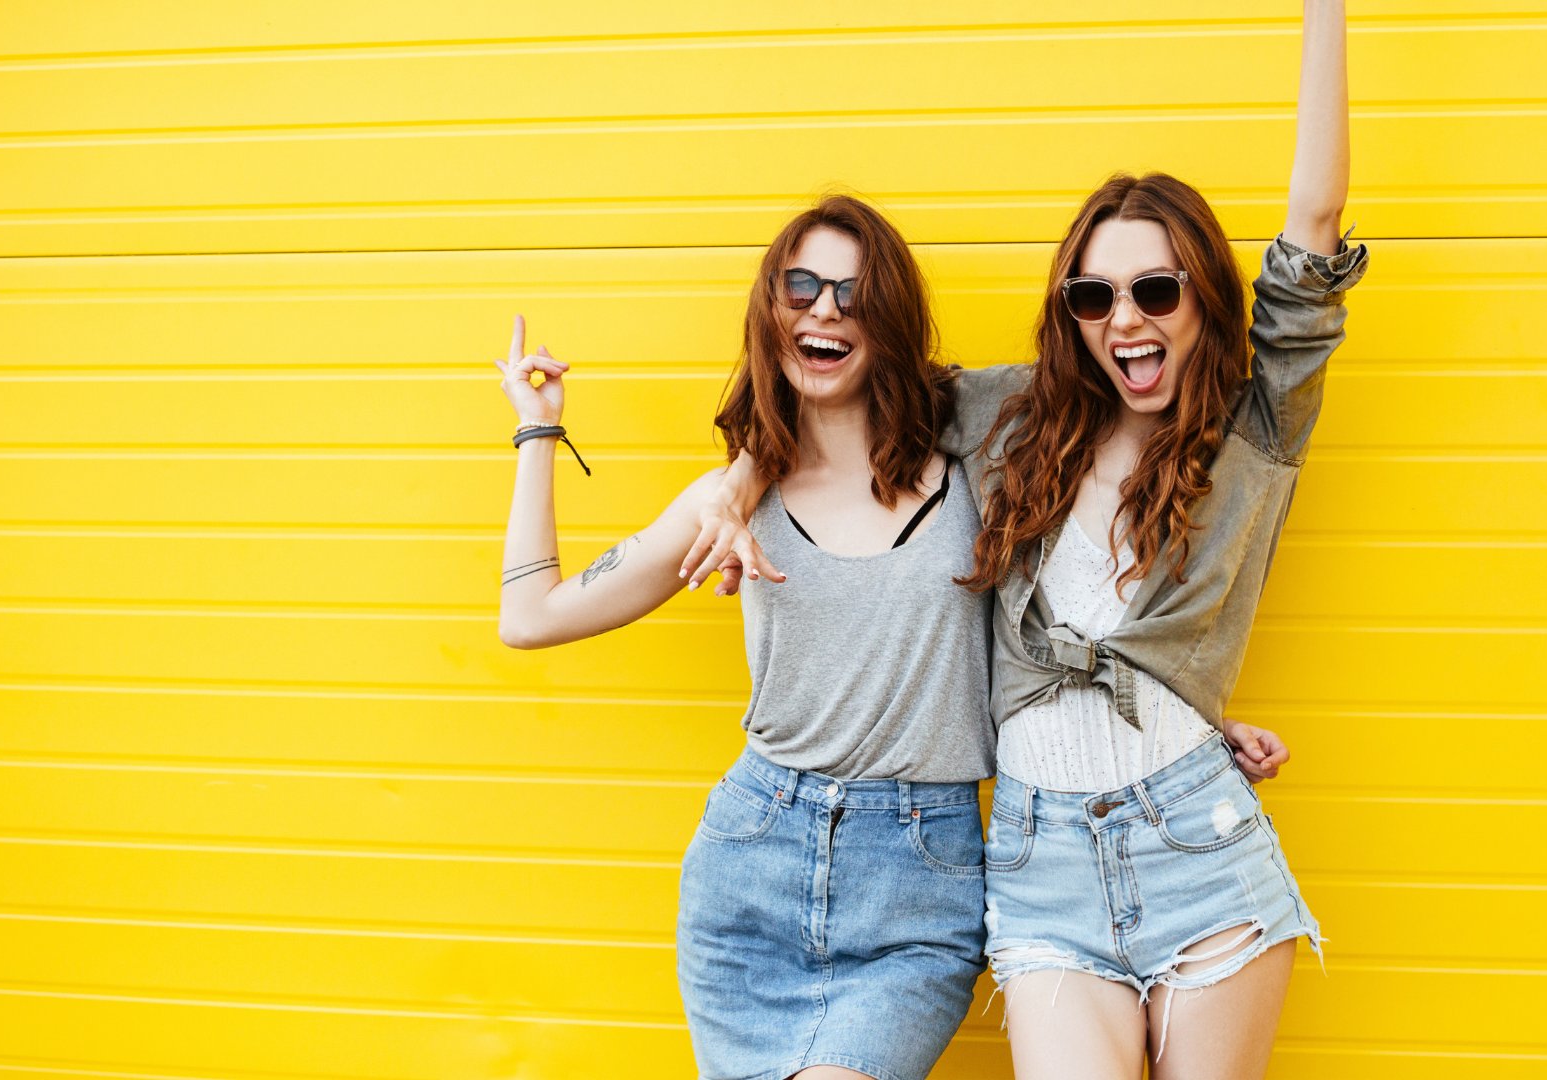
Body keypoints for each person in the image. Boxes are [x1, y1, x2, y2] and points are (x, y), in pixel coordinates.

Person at [939, 3, 1367, 1075]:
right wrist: (733, 494)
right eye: (1094, 296)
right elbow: (841, 398)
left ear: (1200, 299)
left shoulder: (1253, 425)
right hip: (1040, 861)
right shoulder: (1008, 423)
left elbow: (1314, 221)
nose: (1125, 319)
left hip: (1201, 846)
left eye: (1154, 289)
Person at [494, 195, 996, 1080]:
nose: (824, 309)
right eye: (800, 286)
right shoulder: (727, 502)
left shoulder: (975, 475)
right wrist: (539, 428)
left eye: (853, 292)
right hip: (753, 868)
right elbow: (529, 616)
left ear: (889, 320)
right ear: (771, 311)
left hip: (918, 889)